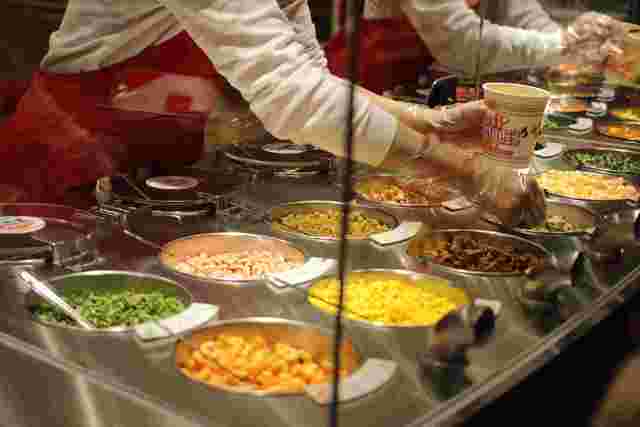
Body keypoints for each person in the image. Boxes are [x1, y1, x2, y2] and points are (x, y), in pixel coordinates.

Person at [0, 0, 605, 226]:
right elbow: (292, 98)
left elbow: (310, 79)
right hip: (64, 156)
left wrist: (427, 121)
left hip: (159, 165)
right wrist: (465, 171)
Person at [327, 0, 625, 93]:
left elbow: (524, 15)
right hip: (369, 81)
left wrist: (573, 39)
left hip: (421, 85)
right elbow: (464, 44)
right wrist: (564, 45)